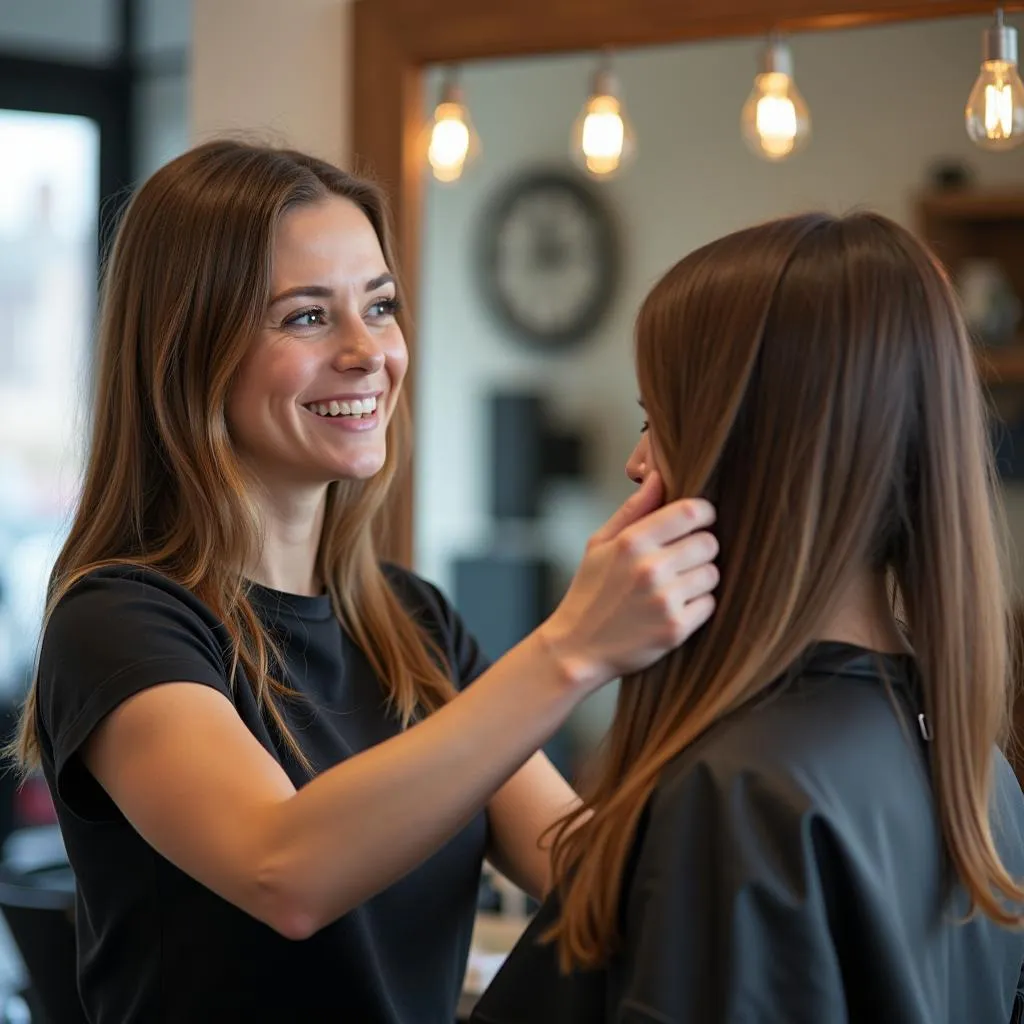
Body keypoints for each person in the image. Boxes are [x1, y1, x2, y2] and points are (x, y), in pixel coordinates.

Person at [10, 141, 721, 1024]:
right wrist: (573, 649)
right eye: (306, 317)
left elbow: (588, 872)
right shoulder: (119, 623)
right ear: (188, 351)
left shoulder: (411, 623)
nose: (367, 352)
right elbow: (286, 870)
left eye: (378, 306)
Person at [471, 211, 1024, 1024]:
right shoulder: (982, 771)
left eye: (658, 420)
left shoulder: (736, 798)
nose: (636, 462)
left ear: (756, 450)